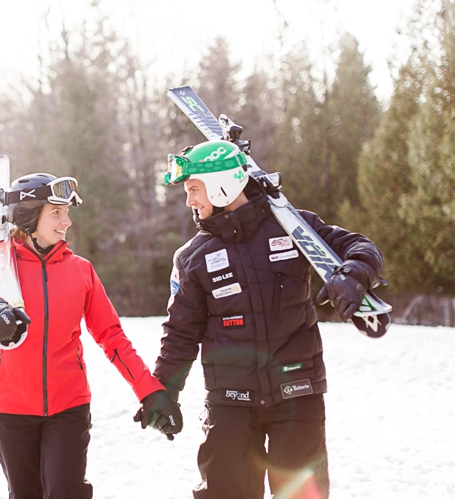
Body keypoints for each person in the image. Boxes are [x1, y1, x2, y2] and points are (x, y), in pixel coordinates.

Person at [145, 140, 385, 499]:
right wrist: (163, 391)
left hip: (297, 393)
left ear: (222, 185)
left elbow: (362, 248)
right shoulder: (193, 258)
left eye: (194, 189)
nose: (189, 201)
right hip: (230, 401)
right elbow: (180, 332)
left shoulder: (292, 226)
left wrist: (353, 274)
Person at [0, 172, 182, 499]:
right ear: (27, 215)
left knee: (67, 492)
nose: (67, 221)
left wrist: (149, 391)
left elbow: (112, 337)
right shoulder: (1, 266)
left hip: (68, 407)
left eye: (67, 212)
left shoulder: (80, 270)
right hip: (10, 408)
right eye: (56, 213)